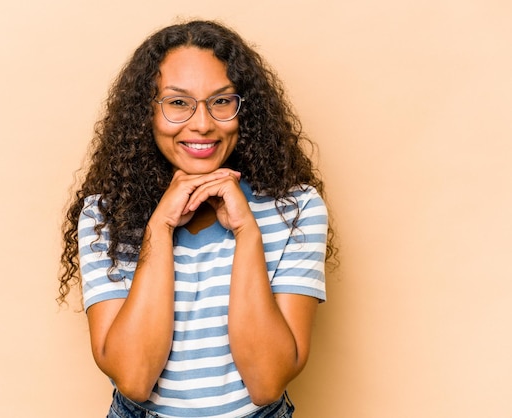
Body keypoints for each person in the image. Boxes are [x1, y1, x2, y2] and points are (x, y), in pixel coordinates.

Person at [58, 19, 334, 418]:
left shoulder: (296, 208)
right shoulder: (105, 216)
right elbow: (134, 379)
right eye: (178, 103)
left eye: (221, 101)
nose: (202, 123)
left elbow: (267, 381)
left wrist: (247, 234)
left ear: (245, 110)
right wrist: (159, 227)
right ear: (146, 113)